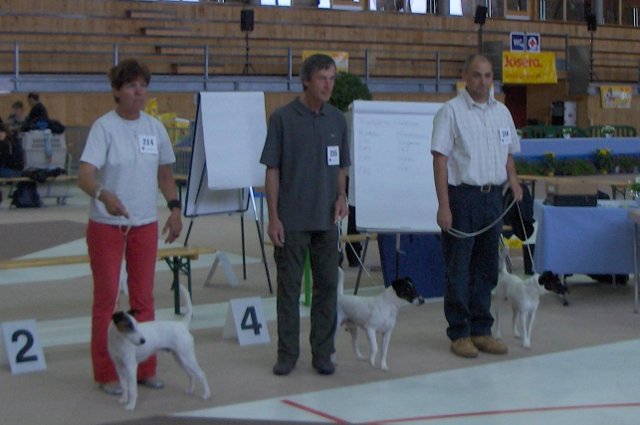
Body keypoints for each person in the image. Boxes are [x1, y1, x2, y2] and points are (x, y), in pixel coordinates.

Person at [77, 58, 183, 395]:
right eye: (131, 85)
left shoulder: (154, 128)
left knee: (143, 298)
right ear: (117, 91)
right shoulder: (103, 128)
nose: (139, 91)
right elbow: (85, 174)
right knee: (107, 300)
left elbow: (165, 175)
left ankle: (144, 367)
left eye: (143, 85)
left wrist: (174, 208)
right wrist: (102, 193)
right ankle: (107, 371)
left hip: (145, 223)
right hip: (107, 224)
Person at [260, 53, 350, 376]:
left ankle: (323, 352)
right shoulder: (282, 119)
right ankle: (287, 354)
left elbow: (340, 167)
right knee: (289, 290)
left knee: (328, 289)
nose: (328, 85)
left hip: (327, 222)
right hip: (291, 221)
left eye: (332, 78)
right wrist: (273, 217)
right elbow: (272, 170)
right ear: (307, 81)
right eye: (322, 78)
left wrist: (342, 196)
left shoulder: (337, 120)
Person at [431, 54, 522, 359]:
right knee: (459, 266)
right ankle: (459, 332)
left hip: (492, 197)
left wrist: (514, 181)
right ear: (465, 76)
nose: (483, 81)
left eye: (487, 76)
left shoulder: (502, 113)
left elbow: (509, 153)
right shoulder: (450, 112)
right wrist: (444, 206)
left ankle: (482, 329)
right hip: (462, 197)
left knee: (487, 267)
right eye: (477, 75)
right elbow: (440, 160)